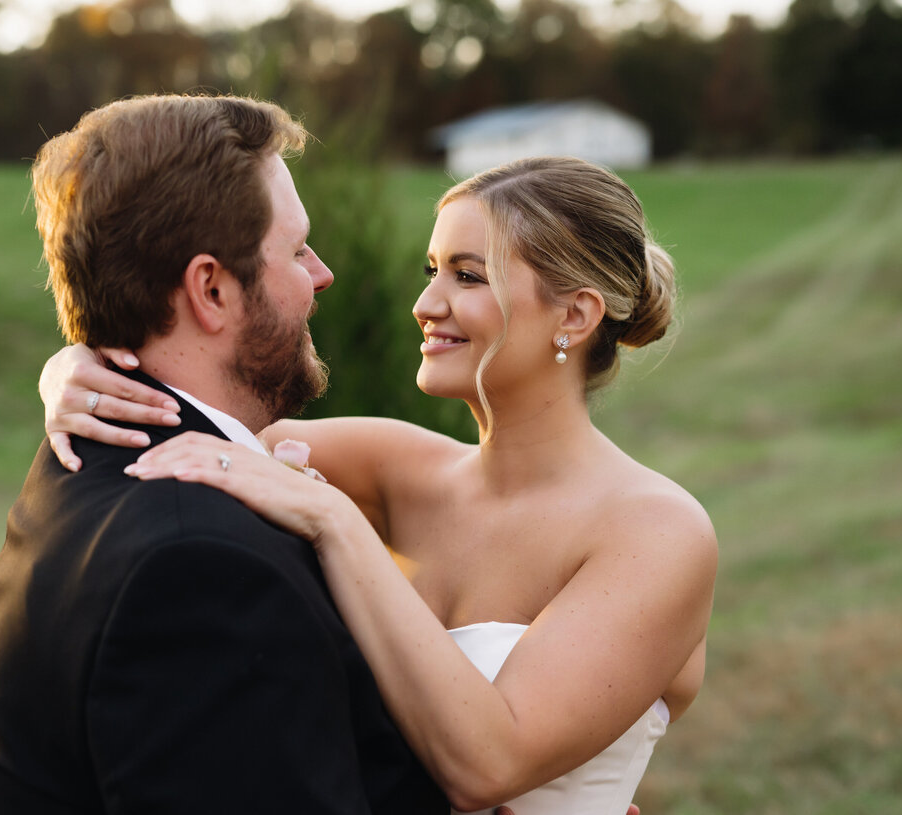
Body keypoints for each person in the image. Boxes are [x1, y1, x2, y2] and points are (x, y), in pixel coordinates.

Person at [41, 156, 717, 814]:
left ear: (574, 316)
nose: (426, 304)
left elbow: (490, 762)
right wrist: (74, 368)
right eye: (432, 271)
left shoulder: (655, 531)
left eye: (468, 276)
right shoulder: (395, 464)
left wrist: (332, 519)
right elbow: (197, 429)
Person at [0, 93, 449, 814]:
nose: (321, 275)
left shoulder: (76, 471)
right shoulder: (198, 567)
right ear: (211, 288)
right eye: (295, 249)